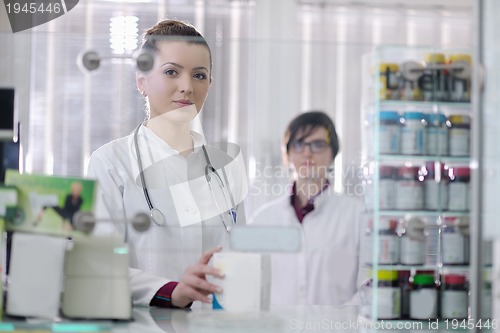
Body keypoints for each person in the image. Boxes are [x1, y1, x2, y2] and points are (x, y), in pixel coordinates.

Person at [87, 19, 246, 309]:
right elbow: (100, 266)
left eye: (199, 75)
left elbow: (240, 262)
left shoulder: (225, 169)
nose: (186, 87)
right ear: (141, 81)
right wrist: (172, 291)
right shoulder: (111, 163)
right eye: (171, 72)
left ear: (209, 84)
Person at [250, 111, 366, 306]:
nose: (307, 153)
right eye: (298, 144)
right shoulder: (264, 219)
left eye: (318, 144)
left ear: (333, 153)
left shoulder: (357, 216)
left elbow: (367, 288)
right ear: (288, 154)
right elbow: (251, 288)